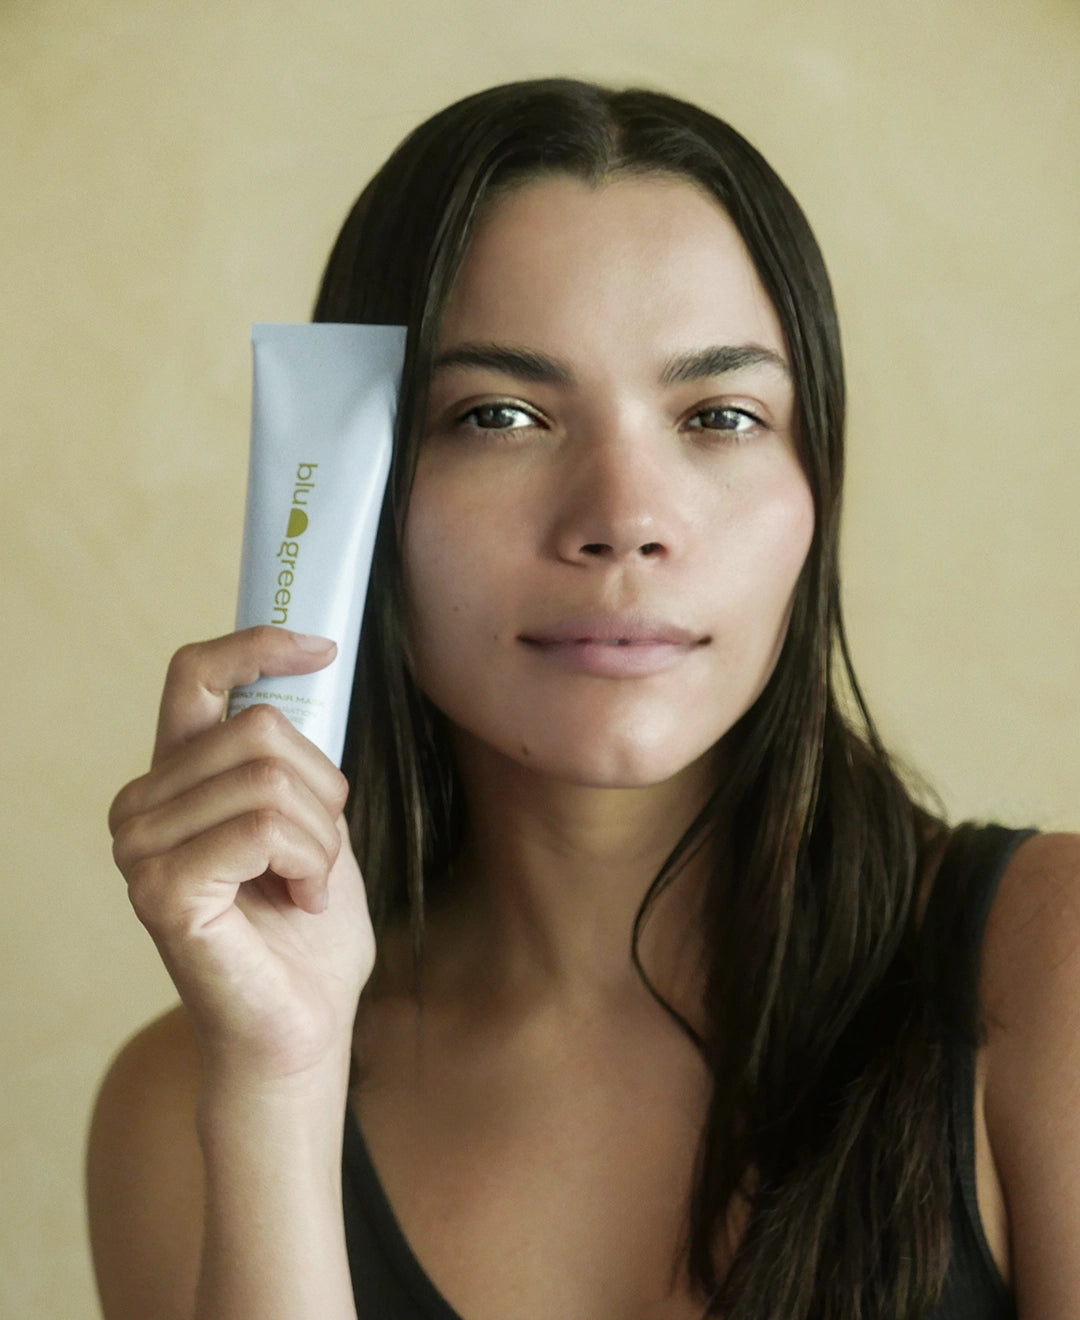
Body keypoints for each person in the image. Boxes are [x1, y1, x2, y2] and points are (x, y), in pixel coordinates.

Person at [86, 79, 1080, 1320]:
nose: (623, 519)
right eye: (501, 416)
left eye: (719, 414)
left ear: (815, 490)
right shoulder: (178, 1103)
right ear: (364, 493)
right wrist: (280, 1085)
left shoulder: (1050, 963)